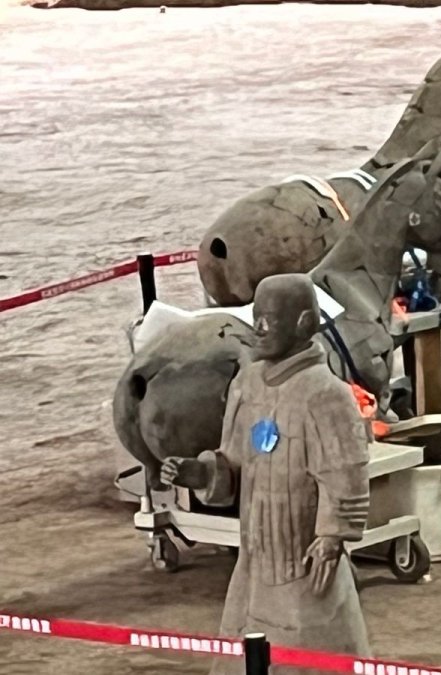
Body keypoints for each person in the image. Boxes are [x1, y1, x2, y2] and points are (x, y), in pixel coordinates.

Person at [161, 274, 371, 675]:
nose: (258, 328)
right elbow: (234, 461)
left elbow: (345, 473)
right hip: (254, 563)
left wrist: (332, 535)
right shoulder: (247, 383)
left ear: (304, 322)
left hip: (306, 562)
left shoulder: (325, 394)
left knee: (315, 660)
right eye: (256, 317)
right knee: (243, 656)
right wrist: (202, 472)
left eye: (270, 319)